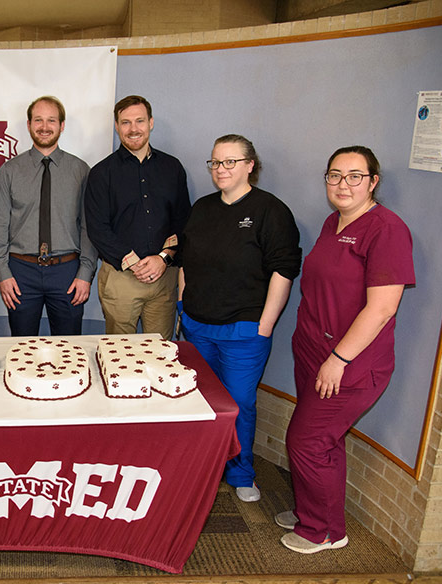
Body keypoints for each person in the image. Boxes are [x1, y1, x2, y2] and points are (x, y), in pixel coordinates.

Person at [279, 146, 414, 553]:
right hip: (312, 354)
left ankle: (322, 532)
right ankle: (317, 513)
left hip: (349, 364)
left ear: (373, 181)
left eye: (355, 176)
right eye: (335, 175)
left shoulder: (387, 229)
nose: (343, 184)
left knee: (306, 442)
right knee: (326, 443)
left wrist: (338, 359)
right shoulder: (331, 222)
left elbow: (384, 307)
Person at [177, 134, 301, 503]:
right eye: (216, 162)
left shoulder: (270, 211)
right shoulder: (202, 208)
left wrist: (265, 324)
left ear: (250, 165)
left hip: (244, 330)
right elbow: (186, 259)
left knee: (239, 403)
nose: (221, 169)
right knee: (202, 401)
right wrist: (184, 305)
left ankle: (241, 472)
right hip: (197, 327)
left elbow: (284, 271)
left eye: (231, 161)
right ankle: (206, 466)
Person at [85, 95, 191, 339]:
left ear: (151, 123)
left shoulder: (172, 168)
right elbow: (98, 228)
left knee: (159, 351)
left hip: (163, 276)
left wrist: (163, 258)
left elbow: (182, 220)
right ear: (117, 126)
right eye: (125, 123)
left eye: (140, 121)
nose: (133, 129)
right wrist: (135, 263)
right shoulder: (102, 173)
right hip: (121, 278)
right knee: (119, 354)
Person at [0, 95, 95, 335]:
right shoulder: (10, 171)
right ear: (28, 125)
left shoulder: (81, 171)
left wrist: (86, 273)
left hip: (68, 272)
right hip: (20, 273)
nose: (44, 127)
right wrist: (2, 273)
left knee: (69, 350)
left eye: (51, 120)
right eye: (38, 120)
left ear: (62, 125)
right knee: (22, 348)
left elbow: (89, 228)